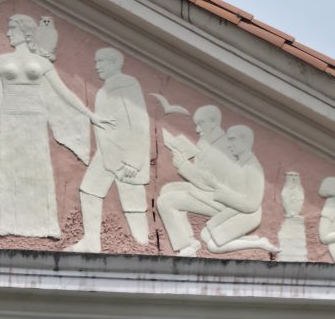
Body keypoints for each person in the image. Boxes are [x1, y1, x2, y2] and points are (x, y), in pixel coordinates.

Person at [0, 15, 91, 237]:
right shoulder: (1, 61)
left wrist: (89, 114)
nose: (8, 34)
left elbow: (63, 92)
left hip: (35, 120)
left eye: (12, 29)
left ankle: (46, 226)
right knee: (9, 172)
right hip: (11, 119)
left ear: (26, 32)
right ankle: (3, 223)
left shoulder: (43, 63)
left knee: (38, 171)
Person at [72, 48, 151, 251]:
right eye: (96, 61)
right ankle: (91, 241)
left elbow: (139, 121)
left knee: (133, 204)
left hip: (126, 155)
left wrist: (134, 160)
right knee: (89, 191)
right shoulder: (106, 89)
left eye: (102, 61)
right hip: (107, 154)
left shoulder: (126, 85)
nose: (97, 66)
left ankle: (142, 244)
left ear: (115, 63)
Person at [156, 115, 269, 254]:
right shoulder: (240, 161)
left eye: (232, 139)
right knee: (168, 190)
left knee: (166, 202)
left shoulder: (252, 168)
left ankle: (186, 247)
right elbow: (213, 182)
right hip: (221, 199)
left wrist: (186, 168)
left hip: (228, 206)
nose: (228, 143)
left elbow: (250, 204)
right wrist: (214, 185)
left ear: (245, 141)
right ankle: (188, 241)